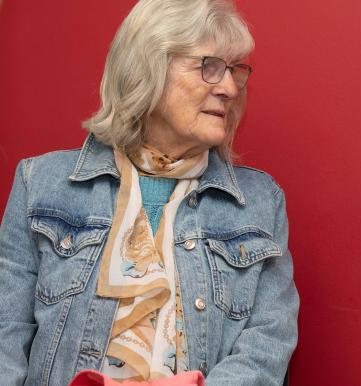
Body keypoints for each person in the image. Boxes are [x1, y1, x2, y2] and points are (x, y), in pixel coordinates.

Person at [0, 0, 298, 384]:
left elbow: (266, 349)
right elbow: (5, 336)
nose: (228, 88)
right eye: (209, 66)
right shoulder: (39, 183)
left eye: (234, 70)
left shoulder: (261, 202)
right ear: (148, 68)